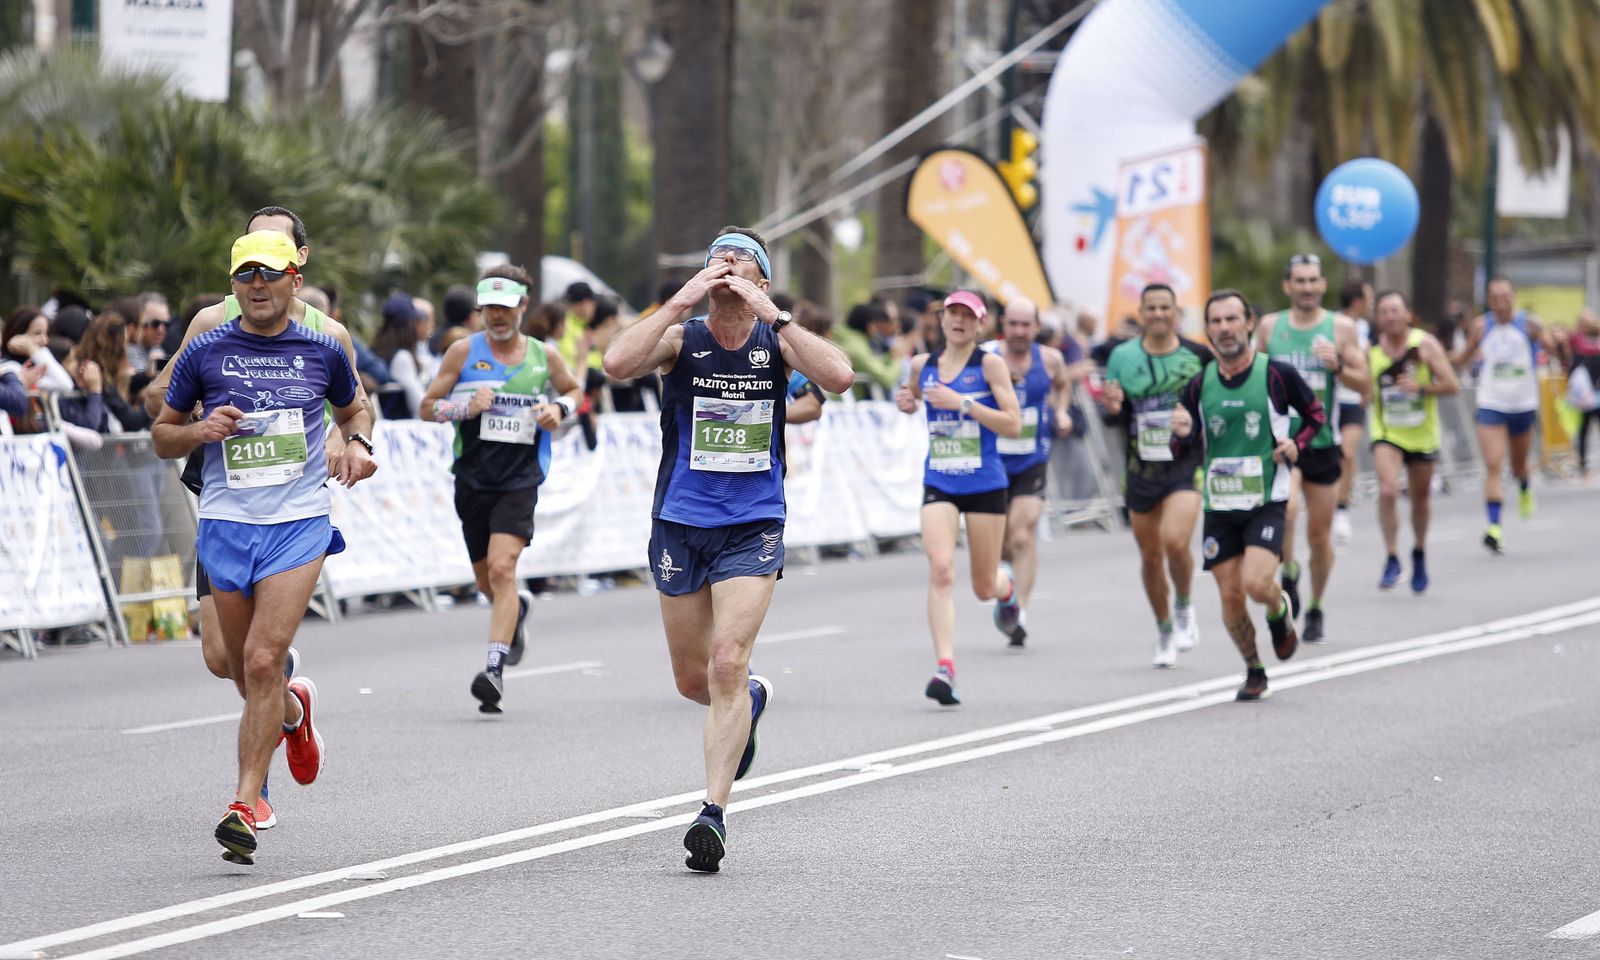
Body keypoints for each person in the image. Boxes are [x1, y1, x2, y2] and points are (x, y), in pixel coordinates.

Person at [602, 226, 852, 873]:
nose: (728, 264)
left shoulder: (777, 339)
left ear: (761, 281)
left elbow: (840, 378)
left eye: (743, 260)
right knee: (695, 681)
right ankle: (752, 699)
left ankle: (711, 812)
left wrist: (777, 315)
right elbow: (616, 365)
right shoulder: (683, 338)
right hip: (680, 521)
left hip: (753, 521)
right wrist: (681, 298)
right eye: (718, 257)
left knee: (724, 662)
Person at [151, 229, 377, 863]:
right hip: (225, 522)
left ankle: (244, 804)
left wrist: (355, 444)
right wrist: (200, 429)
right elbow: (161, 435)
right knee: (232, 662)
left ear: (294, 281)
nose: (257, 284)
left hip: (298, 522)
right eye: (245, 274)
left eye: (269, 273)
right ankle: (292, 714)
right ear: (233, 285)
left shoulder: (323, 347)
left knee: (258, 659)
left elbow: (355, 409)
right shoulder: (205, 351)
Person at [423, 264, 583, 713]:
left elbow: (575, 391)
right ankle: (515, 614)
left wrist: (559, 408)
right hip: (472, 477)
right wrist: (463, 408)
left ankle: (493, 670)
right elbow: (425, 407)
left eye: (505, 307)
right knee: (485, 579)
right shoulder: (461, 352)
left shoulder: (542, 355)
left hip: (520, 477)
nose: (497, 316)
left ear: (523, 306)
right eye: (489, 308)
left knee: (501, 569)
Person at [1171, 289, 1325, 701]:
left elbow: (1315, 415)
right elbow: (1181, 449)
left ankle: (1279, 611)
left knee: (1257, 584)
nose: (1224, 328)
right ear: (1207, 330)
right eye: (1216, 322)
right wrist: (1181, 435)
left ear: (1249, 323)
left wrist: (1297, 445)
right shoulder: (1199, 385)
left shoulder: (1275, 374)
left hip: (1265, 499)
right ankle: (1254, 670)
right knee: (1230, 593)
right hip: (1220, 503)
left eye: (1231, 319)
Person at [894, 291, 1023, 702]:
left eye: (968, 316)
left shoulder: (990, 365)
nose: (959, 321)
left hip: (985, 483)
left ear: (980, 325)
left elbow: (1013, 424)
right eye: (953, 313)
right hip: (941, 481)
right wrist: (908, 402)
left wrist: (963, 403)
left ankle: (1008, 591)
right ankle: (945, 668)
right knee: (942, 569)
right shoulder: (923, 364)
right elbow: (913, 394)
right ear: (942, 319)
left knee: (984, 587)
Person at [1257, 253, 1369, 644]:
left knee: (1319, 536)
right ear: (1287, 286)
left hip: (1321, 441)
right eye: (1299, 281)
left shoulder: (1341, 327)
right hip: (1281, 442)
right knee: (1287, 512)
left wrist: (1337, 366)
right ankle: (1289, 572)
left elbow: (1365, 385)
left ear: (1322, 285)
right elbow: (1253, 376)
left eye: (1312, 281)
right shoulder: (1271, 327)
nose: (1306, 288)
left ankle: (1317, 605)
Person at [1101, 284, 1213, 666]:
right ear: (1142, 312)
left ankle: (1184, 606)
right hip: (1141, 468)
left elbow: (1213, 408)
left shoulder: (1198, 355)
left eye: (1166, 307)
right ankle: (1164, 628)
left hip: (1185, 465)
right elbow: (1115, 416)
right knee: (1150, 557)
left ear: (1176, 312)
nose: (1159, 314)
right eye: (1152, 308)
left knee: (1175, 543)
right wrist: (1113, 408)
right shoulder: (1122, 356)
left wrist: (1194, 426)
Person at [990, 297, 1072, 647]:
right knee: (1001, 543)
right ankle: (1006, 591)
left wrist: (1062, 412)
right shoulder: (986, 357)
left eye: (1026, 325)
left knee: (1023, 534)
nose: (1020, 331)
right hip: (991, 459)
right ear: (1003, 326)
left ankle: (1018, 611)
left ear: (1037, 327)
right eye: (1013, 324)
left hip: (1031, 458)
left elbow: (1063, 385)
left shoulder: (1050, 359)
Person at [1452, 277, 1554, 552]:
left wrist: (1553, 341)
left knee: (1519, 465)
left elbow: (1553, 350)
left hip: (1522, 404)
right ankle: (1494, 528)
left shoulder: (1528, 324)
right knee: (1494, 465)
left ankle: (1523, 485)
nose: (1501, 302)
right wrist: (1442, 359)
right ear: (1488, 300)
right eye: (1495, 297)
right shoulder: (1481, 326)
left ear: (1514, 297)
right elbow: (1463, 357)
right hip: (1491, 402)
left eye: (1505, 296)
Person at [1368, 291, 1459, 592]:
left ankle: (1418, 551)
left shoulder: (1424, 345)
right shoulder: (1371, 352)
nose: (1390, 316)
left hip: (1421, 434)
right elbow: (1362, 387)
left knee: (1419, 500)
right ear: (1377, 318)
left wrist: (1420, 388)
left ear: (1408, 314)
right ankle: (1391, 556)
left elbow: (1452, 385)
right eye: (1384, 311)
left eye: (1395, 310)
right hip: (1387, 432)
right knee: (1388, 490)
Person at [1332, 280, 1373, 543]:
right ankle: (1331, 499)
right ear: (1357, 300)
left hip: (1355, 400)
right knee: (1335, 456)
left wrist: (1367, 388)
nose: (1371, 302)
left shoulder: (1365, 327)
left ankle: (1342, 509)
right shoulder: (1333, 324)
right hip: (1332, 400)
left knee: (1348, 453)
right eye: (1368, 297)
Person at [371, 293, 426, 419]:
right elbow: (419, 406)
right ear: (409, 324)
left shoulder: (374, 350)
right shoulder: (402, 357)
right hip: (398, 433)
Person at [1560, 309, 1600, 477]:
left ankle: (1584, 465)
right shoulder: (1575, 341)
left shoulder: (1596, 340)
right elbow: (1570, 365)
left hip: (1597, 390)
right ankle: (1583, 466)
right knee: (1583, 429)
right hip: (1583, 394)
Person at [126, 293, 171, 378]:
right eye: (155, 324)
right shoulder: (128, 350)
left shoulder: (158, 350)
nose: (161, 330)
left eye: (166, 324)